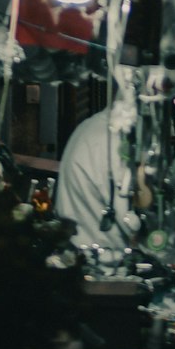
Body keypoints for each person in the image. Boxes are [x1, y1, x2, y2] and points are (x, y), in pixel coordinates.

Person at [54, 107, 132, 252]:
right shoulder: (112, 141)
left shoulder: (90, 126)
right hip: (101, 259)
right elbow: (132, 223)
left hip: (77, 248)